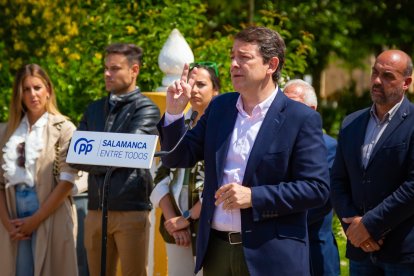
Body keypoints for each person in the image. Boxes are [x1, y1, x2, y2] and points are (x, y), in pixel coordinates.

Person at [157, 26, 330, 276]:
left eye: (244, 57)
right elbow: (177, 156)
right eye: (232, 57)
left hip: (270, 256)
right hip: (216, 251)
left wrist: (254, 197)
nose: (234, 64)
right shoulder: (219, 108)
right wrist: (173, 113)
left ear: (271, 65)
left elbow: (316, 189)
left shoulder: (299, 118)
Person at [71, 43, 160, 276]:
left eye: (115, 68)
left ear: (134, 70)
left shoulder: (147, 109)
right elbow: (75, 155)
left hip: (131, 209)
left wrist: (97, 152)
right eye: (105, 68)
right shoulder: (93, 109)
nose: (107, 74)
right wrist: (113, 153)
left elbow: (133, 154)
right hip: (95, 210)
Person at [331, 49, 414, 275]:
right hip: (360, 251)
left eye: (387, 76)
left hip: (402, 252)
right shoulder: (351, 123)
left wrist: (369, 225)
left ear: (406, 82)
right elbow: (338, 179)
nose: (377, 81)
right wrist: (352, 227)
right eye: (374, 73)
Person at [0, 64, 79, 276]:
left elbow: (67, 181)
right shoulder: (6, 131)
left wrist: (35, 220)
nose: (33, 94)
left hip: (49, 208)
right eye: (26, 89)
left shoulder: (64, 128)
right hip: (12, 210)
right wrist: (8, 224)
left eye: (37, 87)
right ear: (19, 94)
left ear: (48, 90)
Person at [151, 62, 219, 276]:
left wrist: (187, 218)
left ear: (216, 90)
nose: (194, 89)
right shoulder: (181, 124)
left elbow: (219, 180)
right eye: (190, 83)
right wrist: (174, 220)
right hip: (175, 229)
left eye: (201, 84)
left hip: (208, 226)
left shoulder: (222, 127)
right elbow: (161, 173)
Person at [284, 79, 340, 276]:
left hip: (314, 249)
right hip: (278, 251)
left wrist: (276, 214)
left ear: (312, 110)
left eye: (293, 104)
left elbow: (320, 199)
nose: (287, 111)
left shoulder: (329, 147)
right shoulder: (272, 145)